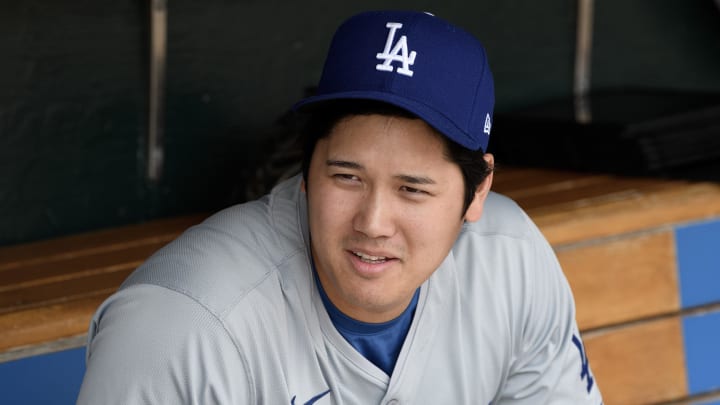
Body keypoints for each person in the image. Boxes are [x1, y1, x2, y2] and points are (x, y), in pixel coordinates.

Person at [77, 10, 603, 404]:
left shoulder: (509, 262)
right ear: (305, 172)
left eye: (412, 189)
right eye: (347, 177)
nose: (373, 223)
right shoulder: (182, 325)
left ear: (478, 190)